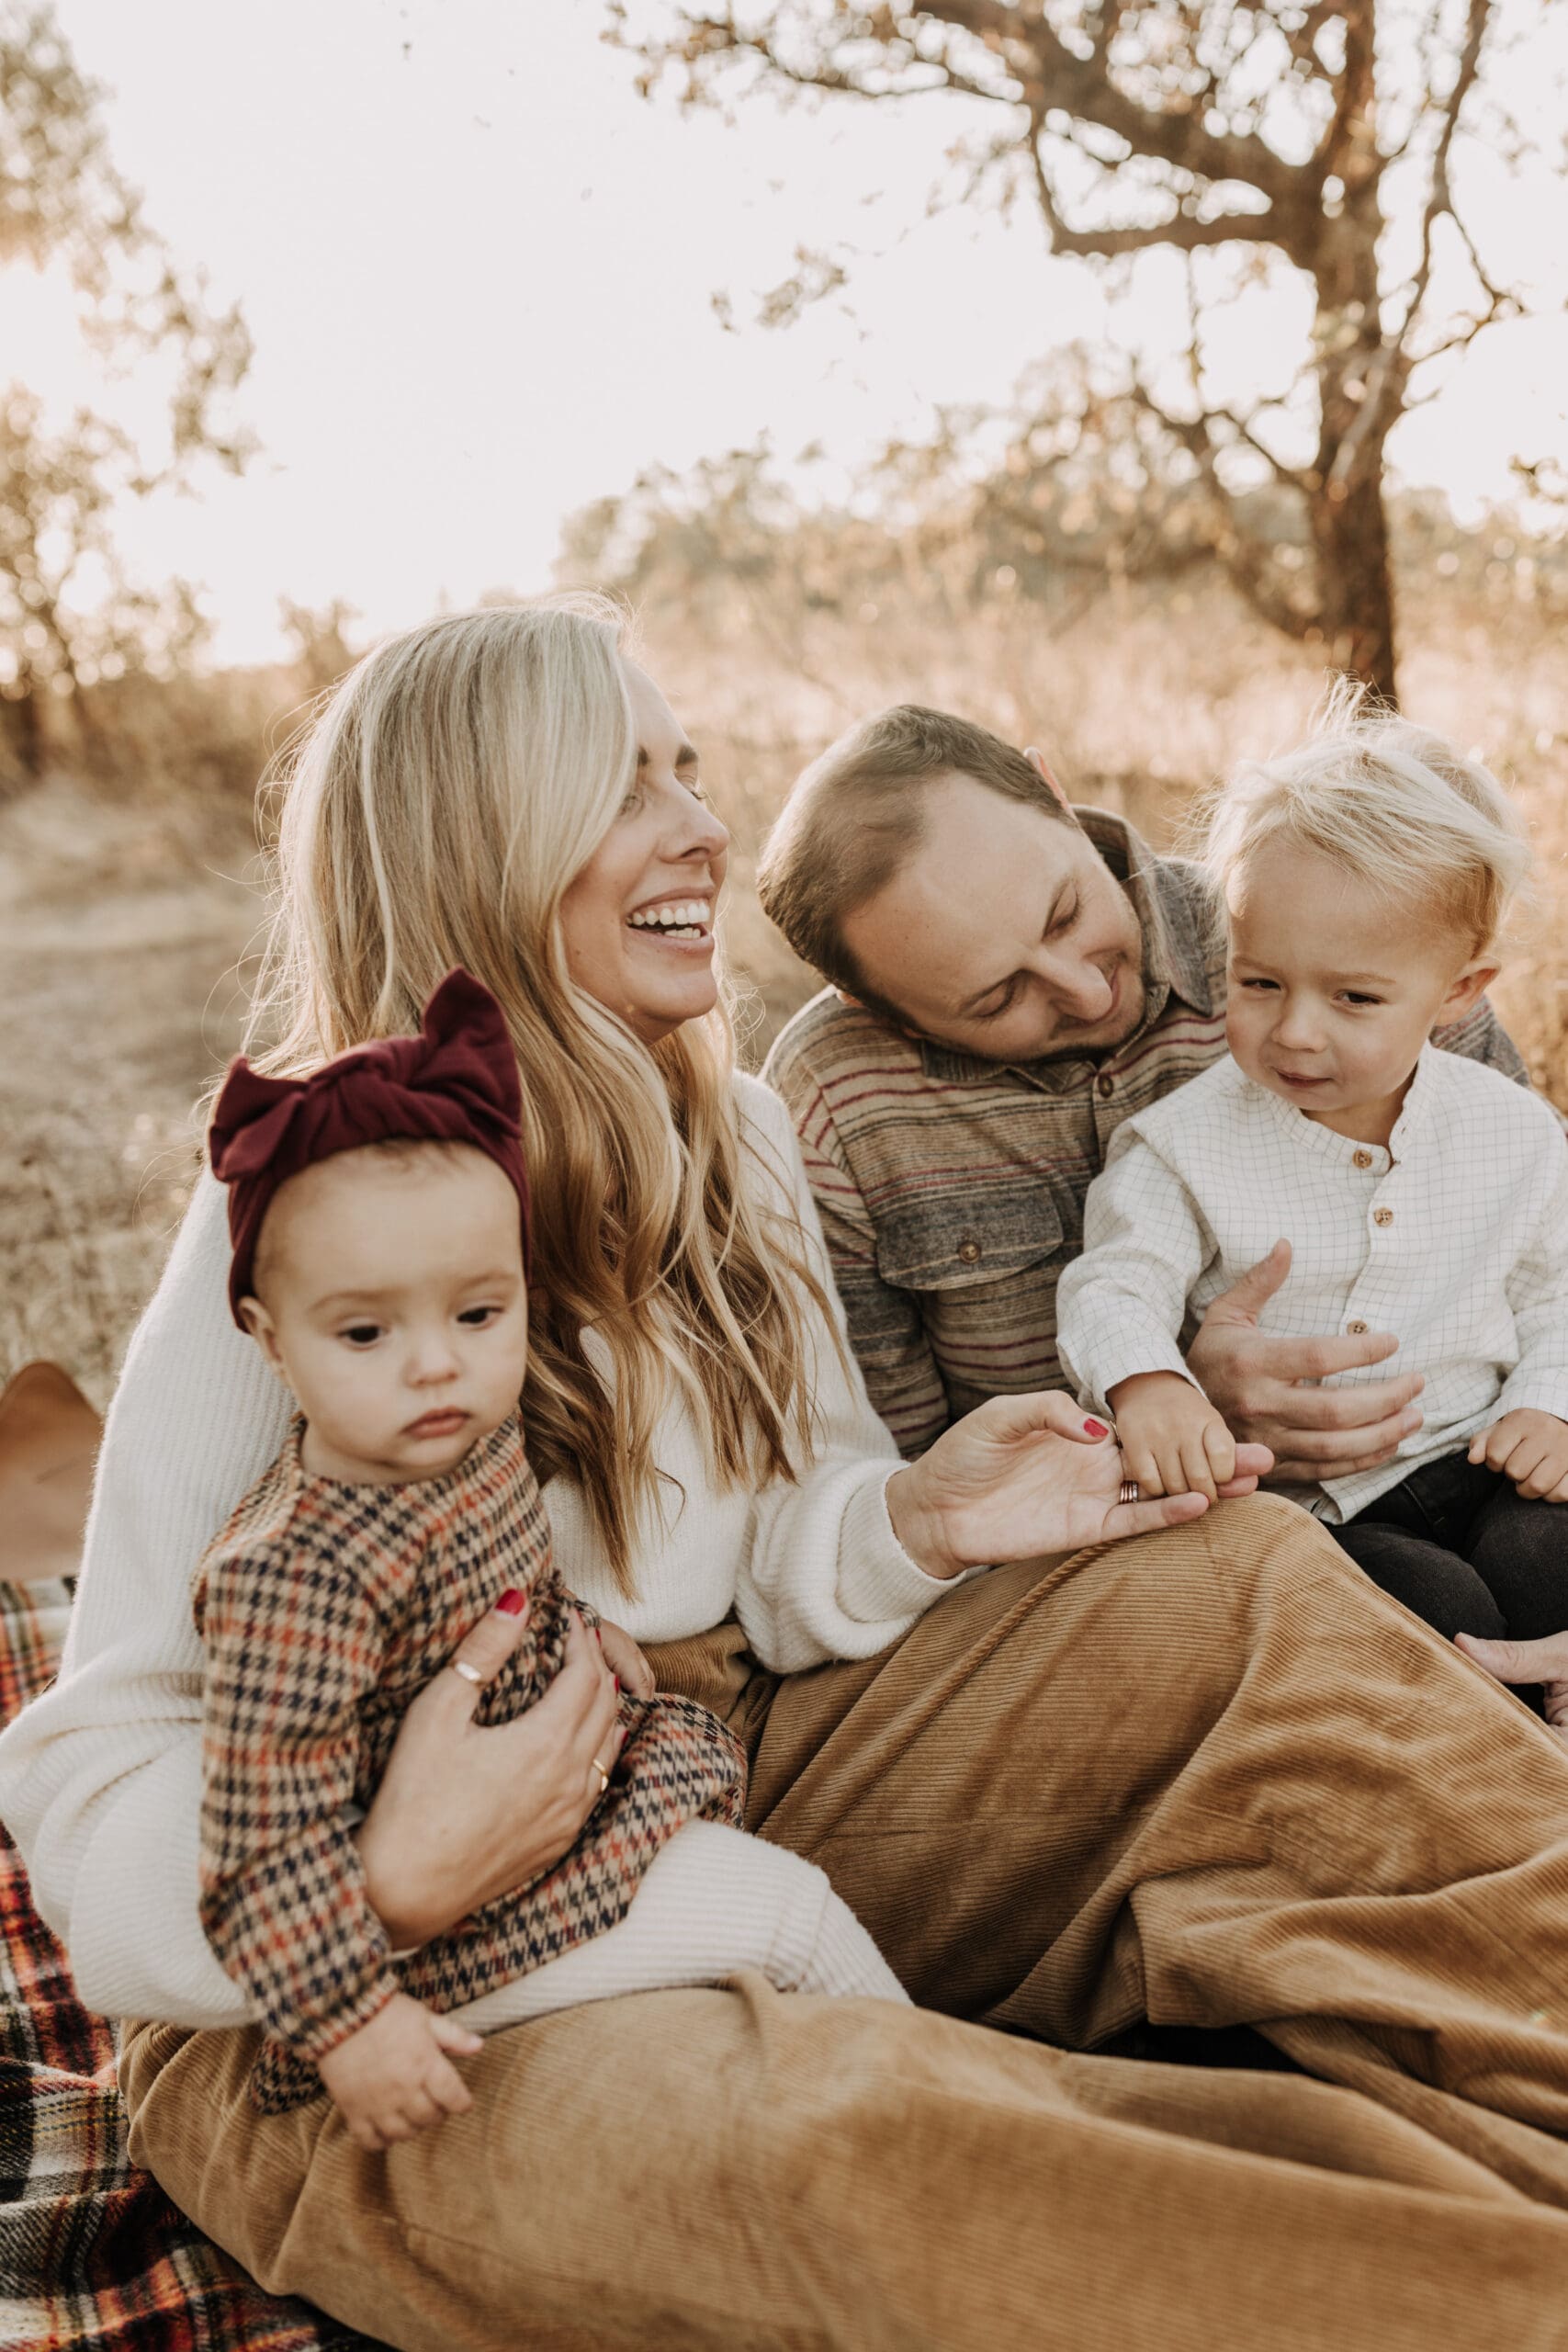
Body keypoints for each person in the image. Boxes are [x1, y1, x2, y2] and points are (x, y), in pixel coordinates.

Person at [13, 601, 1568, 2351]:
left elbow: (777, 1547)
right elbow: (95, 1758)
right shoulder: (308, 1211)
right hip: (365, 1985)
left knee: (1243, 1590)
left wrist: (907, 1518)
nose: (700, 824)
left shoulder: (729, 1125)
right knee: (844, 2146)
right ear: (473, 842)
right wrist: (383, 1878)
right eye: (625, 785)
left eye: (688, 767)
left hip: (730, 1761)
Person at [196, 964, 900, 2147]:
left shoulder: (458, 1437)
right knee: (787, 1916)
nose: (435, 1364)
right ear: (267, 1337)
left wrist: (581, 1641)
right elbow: (259, 1844)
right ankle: (913, 2134)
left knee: (769, 1918)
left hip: (570, 1804)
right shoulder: (298, 1572)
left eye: (478, 1315)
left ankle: (879, 2095)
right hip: (436, 1944)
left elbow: (501, 1575)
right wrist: (351, 2021)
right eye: (366, 1331)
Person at [758, 704, 1534, 1476]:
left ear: (1050, 791)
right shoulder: (828, 1104)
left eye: (1064, 913)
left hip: (1457, 1462)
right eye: (995, 999)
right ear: (880, 1008)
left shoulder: (1334, 920)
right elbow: (878, 1473)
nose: (1087, 995)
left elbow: (1536, 1253)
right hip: (1084, 1539)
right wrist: (1168, 1401)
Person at [1056, 697, 1568, 1652]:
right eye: (1259, 982)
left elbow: (1558, 1292)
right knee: (1423, 1608)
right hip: (1323, 1508)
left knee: (1546, 1561)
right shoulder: (1181, 1143)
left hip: (1488, 1453)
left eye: (1354, 997)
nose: (1295, 1029)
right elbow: (1113, 1282)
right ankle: (1502, 1713)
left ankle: (1536, 1693)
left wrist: (1550, 1399)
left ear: (1458, 992)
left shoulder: (1515, 1131)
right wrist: (1149, 1384)